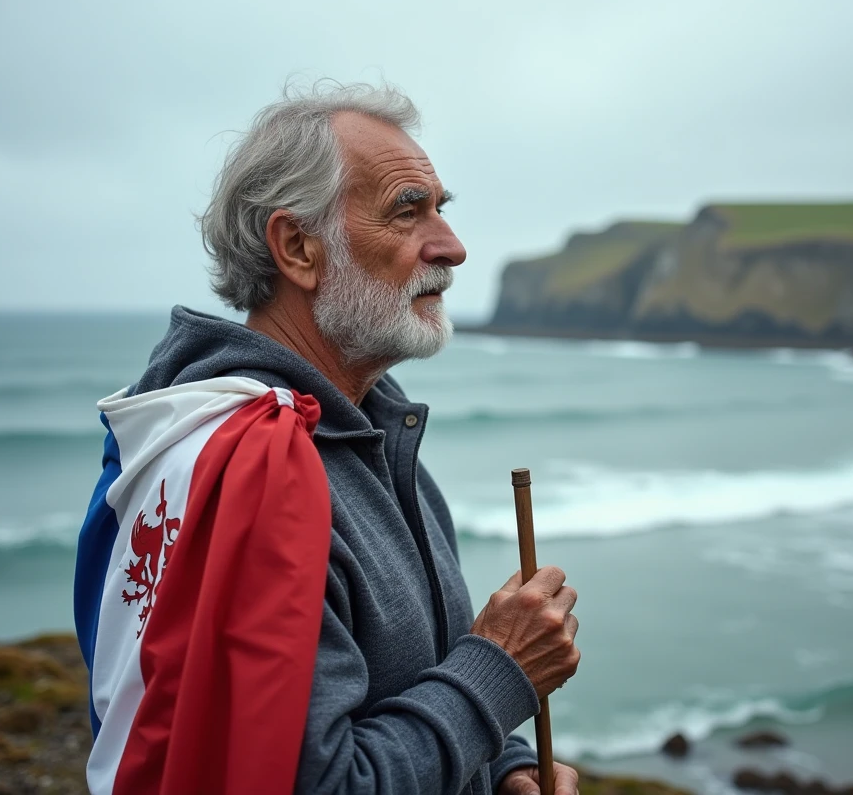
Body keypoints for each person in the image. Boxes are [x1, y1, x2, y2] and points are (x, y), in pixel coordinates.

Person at [73, 81, 581, 795]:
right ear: (298, 247)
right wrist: (499, 671)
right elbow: (322, 784)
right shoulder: (257, 466)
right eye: (408, 211)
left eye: (442, 209)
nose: (454, 248)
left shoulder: (368, 425)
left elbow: (412, 680)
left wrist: (502, 766)